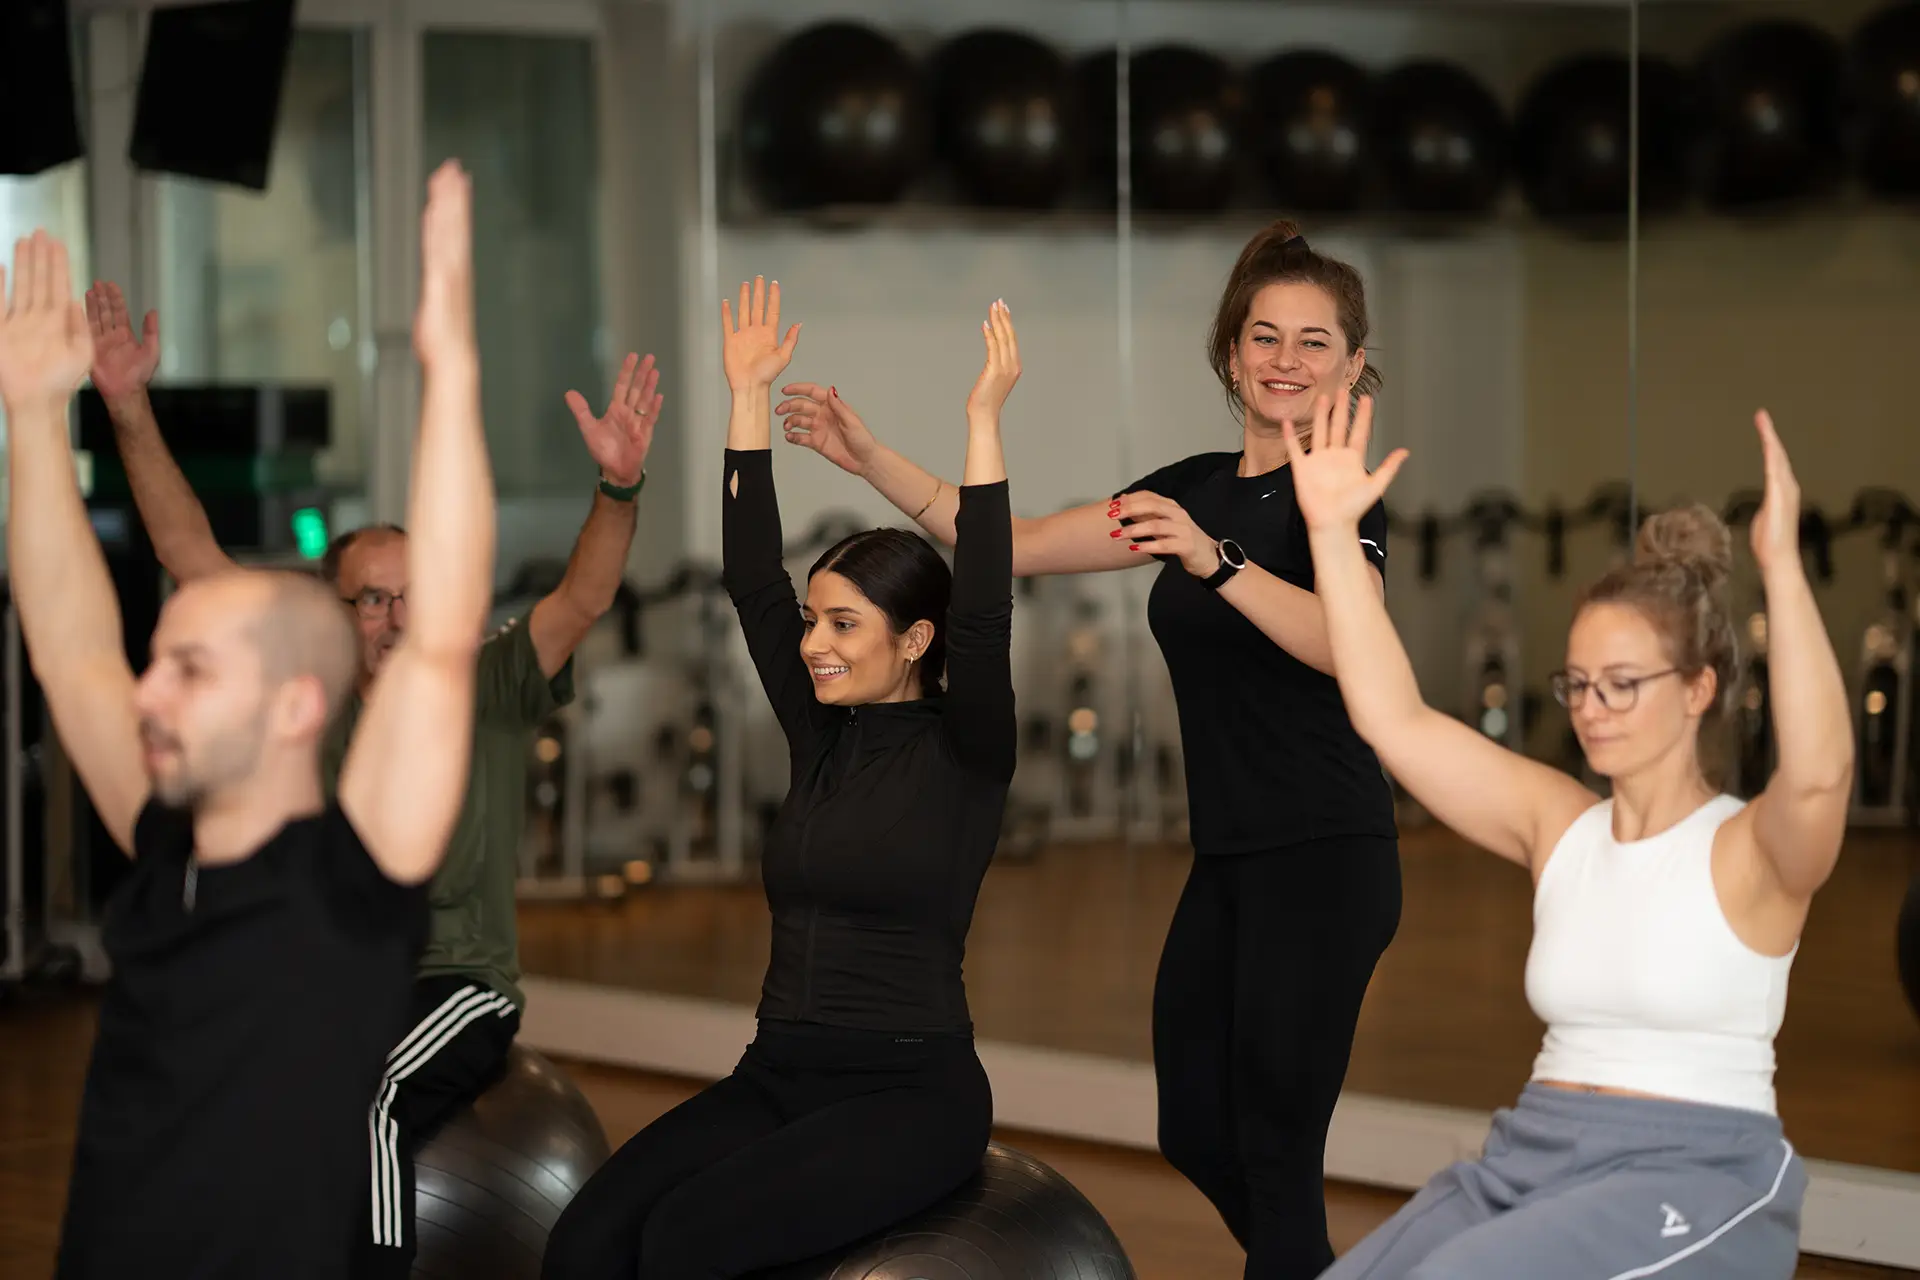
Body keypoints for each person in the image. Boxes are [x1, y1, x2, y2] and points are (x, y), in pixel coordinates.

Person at [777, 221, 1399, 1278]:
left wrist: (1216, 559)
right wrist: (866, 454)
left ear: (1351, 365)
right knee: (1194, 1127)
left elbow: (1350, 640)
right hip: (1233, 854)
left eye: (1313, 342)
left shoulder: (1338, 497)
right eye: (1264, 336)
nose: (1285, 360)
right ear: (1230, 352)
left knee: (1279, 1148)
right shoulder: (1191, 486)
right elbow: (1007, 547)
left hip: (1327, 853)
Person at [80, 265, 661, 1275]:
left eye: (411, 595)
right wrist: (126, 406)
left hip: (455, 980)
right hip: (335, 975)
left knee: (372, 1092)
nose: (393, 617)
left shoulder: (485, 678)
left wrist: (618, 484)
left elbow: (584, 593)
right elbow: (188, 550)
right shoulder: (301, 685)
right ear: (330, 611)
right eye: (369, 599)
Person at [11, 162, 497, 1278]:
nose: (146, 692)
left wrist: (452, 369)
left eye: (188, 669)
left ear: (295, 705)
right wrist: (36, 416)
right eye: (160, 666)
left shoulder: (351, 882)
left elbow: (440, 634)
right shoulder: (164, 846)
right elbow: (74, 649)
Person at [1291, 393, 1843, 1279]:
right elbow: (1392, 719)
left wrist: (1782, 568)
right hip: (1531, 1156)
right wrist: (1330, 533)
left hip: (1694, 1174)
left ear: (1699, 689)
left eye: (1624, 683)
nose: (1593, 707)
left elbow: (1819, 776)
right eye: (1579, 683)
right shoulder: (1562, 828)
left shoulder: (1750, 853)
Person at [540, 279, 1018, 1279]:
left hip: (910, 1090)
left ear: (916, 639)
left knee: (688, 1240)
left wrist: (981, 422)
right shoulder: (823, 736)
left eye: (843, 624)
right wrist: (746, 396)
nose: (813, 643)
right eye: (814, 619)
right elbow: (750, 575)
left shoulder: (968, 745)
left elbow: (986, 602)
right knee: (586, 1243)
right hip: (780, 1070)